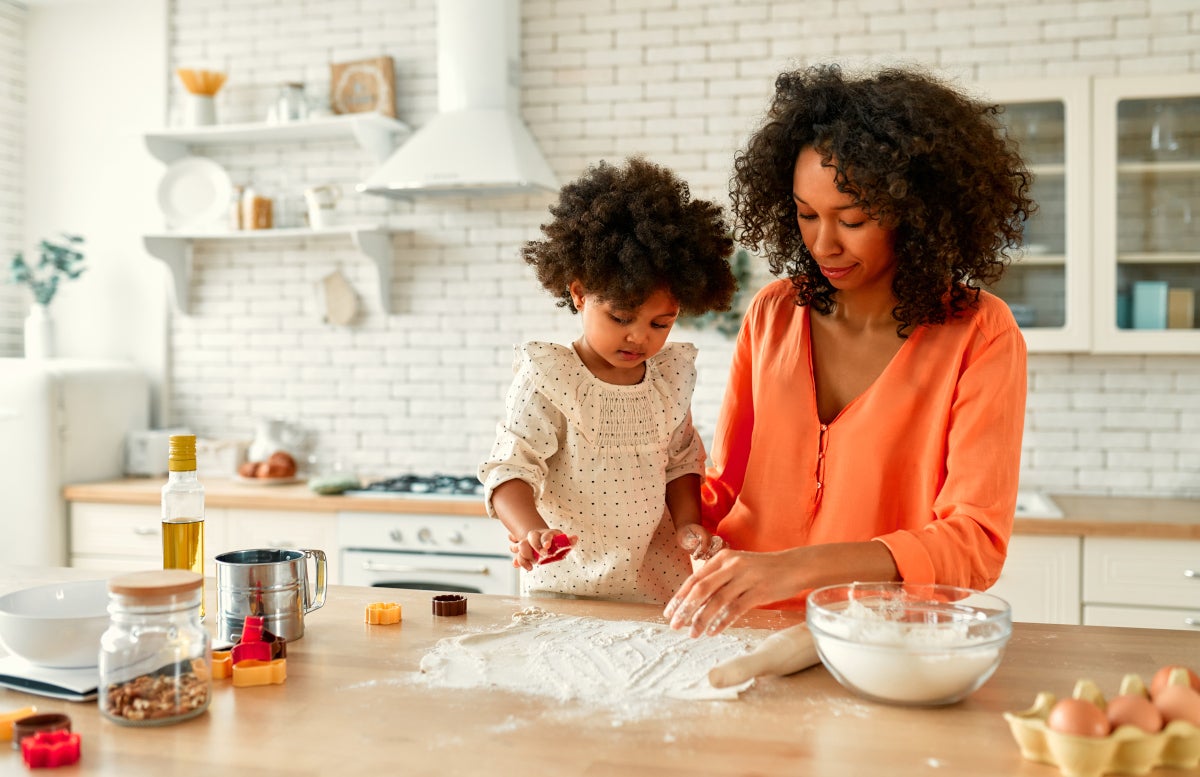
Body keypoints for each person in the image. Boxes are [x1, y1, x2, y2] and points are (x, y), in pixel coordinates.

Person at [664, 63, 1034, 636]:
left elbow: (974, 543)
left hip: (880, 643)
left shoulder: (980, 333)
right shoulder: (772, 313)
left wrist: (795, 571)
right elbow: (722, 485)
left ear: (918, 213)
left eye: (853, 219)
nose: (823, 243)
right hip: (742, 630)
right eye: (806, 215)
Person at [479, 156, 739, 604]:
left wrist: (688, 523)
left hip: (656, 582)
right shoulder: (550, 378)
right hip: (566, 581)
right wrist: (532, 531)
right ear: (579, 293)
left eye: (661, 324)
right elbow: (510, 470)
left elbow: (681, 463)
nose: (639, 336)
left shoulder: (668, 380)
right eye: (621, 316)